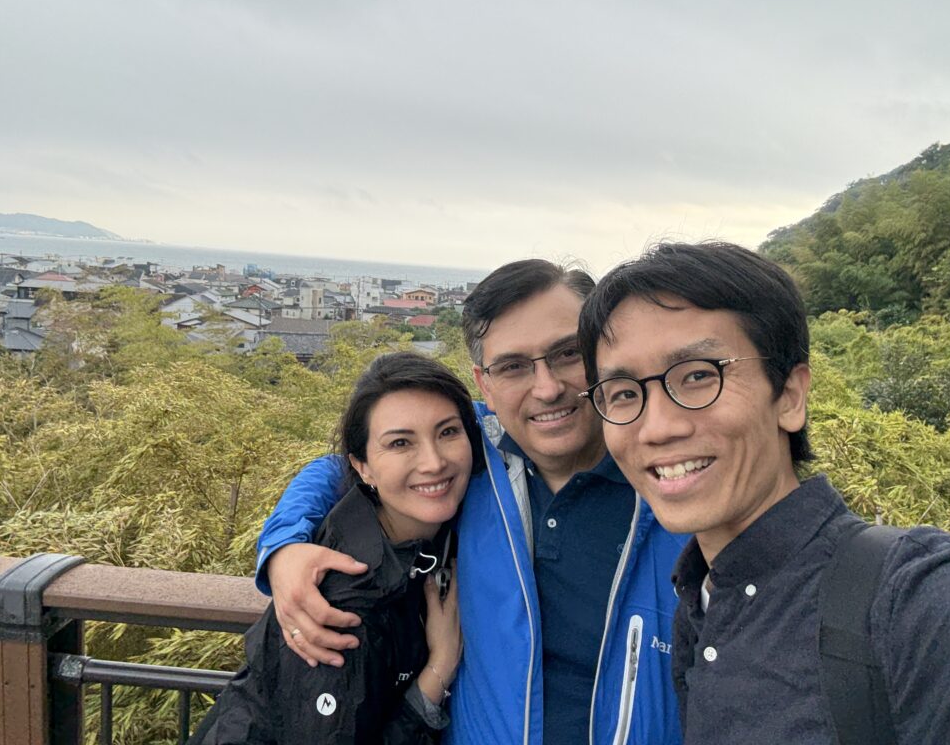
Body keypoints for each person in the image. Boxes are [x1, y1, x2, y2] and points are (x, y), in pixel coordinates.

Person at [256, 260, 687, 744]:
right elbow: (342, 464)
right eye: (513, 366)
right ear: (486, 384)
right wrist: (284, 546)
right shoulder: (470, 454)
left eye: (568, 353)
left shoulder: (673, 473)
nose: (546, 389)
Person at [576, 241, 950, 744]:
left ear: (789, 396)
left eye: (698, 376)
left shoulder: (917, 602)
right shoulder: (697, 601)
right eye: (625, 394)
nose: (655, 429)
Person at [189, 352, 487, 744]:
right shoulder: (339, 602)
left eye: (448, 432)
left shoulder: (418, 535)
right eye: (400, 443)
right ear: (363, 466)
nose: (433, 462)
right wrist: (439, 669)